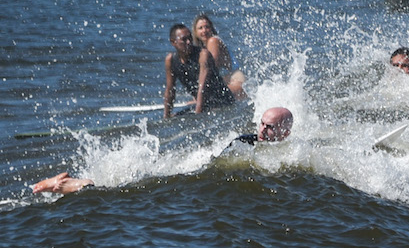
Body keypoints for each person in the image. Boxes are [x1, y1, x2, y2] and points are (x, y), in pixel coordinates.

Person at [35, 107, 296, 196]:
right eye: (261, 123)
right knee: (123, 189)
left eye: (269, 126)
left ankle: (72, 184)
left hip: (191, 170)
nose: (262, 129)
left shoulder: (277, 148)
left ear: (285, 132)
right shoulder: (246, 142)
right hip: (191, 173)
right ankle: (71, 184)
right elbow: (217, 165)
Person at [163, 22, 236, 117]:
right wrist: (166, 117)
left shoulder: (203, 55)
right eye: (184, 39)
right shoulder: (171, 60)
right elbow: (170, 90)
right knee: (175, 117)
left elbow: (202, 87)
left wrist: (197, 116)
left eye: (190, 38)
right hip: (203, 104)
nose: (188, 42)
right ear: (173, 42)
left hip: (222, 102)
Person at [190, 14, 247, 99]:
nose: (204, 30)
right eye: (200, 28)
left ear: (211, 28)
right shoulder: (203, 47)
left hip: (235, 81)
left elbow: (211, 67)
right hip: (226, 83)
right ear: (195, 32)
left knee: (204, 99)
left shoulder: (213, 41)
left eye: (207, 27)